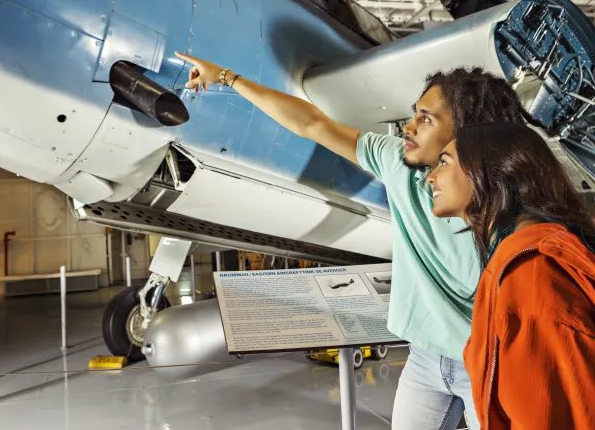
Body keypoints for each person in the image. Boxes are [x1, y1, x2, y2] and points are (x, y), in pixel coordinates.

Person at [174, 51, 539, 430]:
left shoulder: (513, 216)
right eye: (414, 113)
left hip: (486, 363)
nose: (408, 127)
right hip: (424, 359)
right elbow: (312, 124)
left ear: (467, 134)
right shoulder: (400, 166)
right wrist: (228, 77)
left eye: (425, 119)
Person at [426, 123, 595, 429]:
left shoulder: (531, 278)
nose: (431, 175)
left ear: (490, 171)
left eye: (445, 161)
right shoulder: (524, 261)